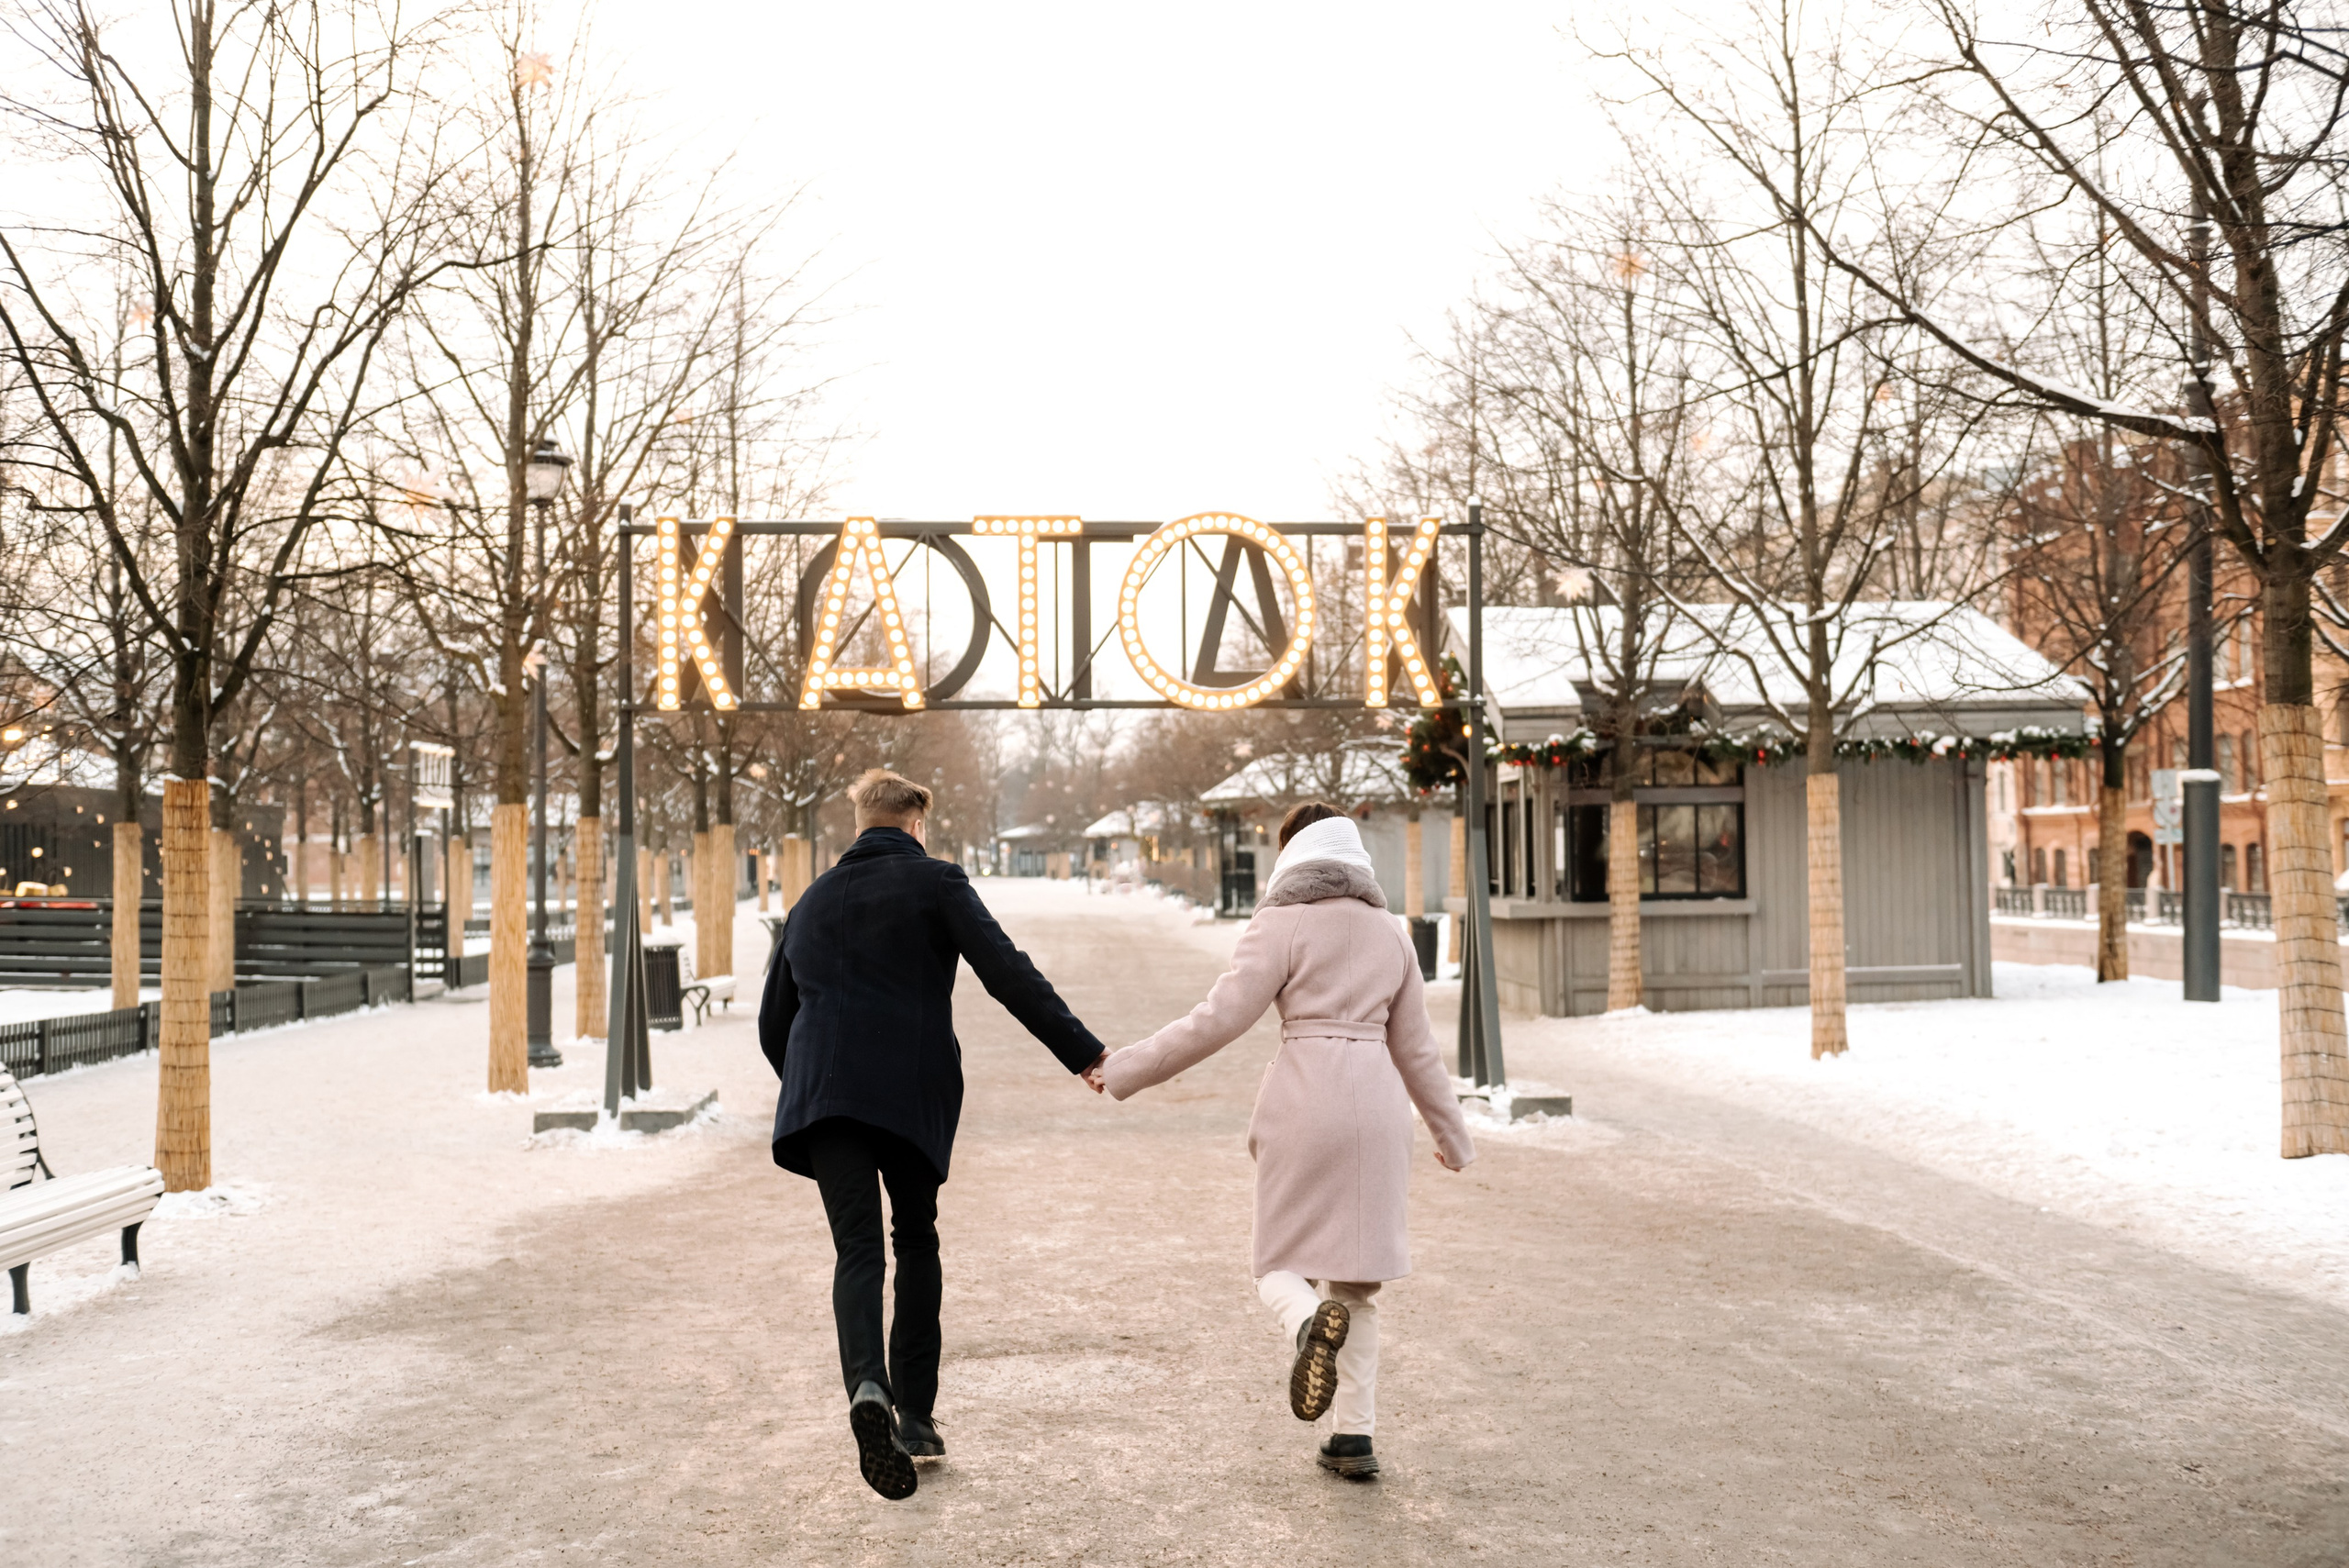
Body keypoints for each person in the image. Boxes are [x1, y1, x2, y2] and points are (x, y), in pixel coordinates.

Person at [1094, 801, 1475, 1479]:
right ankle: (1353, 1435)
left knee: (1278, 1263)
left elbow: (1217, 1020)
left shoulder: (1280, 923)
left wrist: (1124, 1067)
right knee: (1357, 1287)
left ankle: (1305, 1323)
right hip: (1380, 1111)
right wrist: (1452, 1134)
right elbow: (1417, 1048)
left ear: (1291, 855)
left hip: (1306, 1099)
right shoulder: (1391, 933)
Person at [759, 768, 1108, 1500]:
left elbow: (773, 1023)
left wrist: (814, 1078)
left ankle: (866, 1388)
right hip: (909, 1094)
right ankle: (915, 1415)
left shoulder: (809, 903)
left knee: (856, 1247)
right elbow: (1007, 973)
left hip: (825, 1101)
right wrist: (1084, 1052)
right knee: (914, 1238)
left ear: (858, 822)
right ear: (916, 823)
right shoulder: (936, 881)